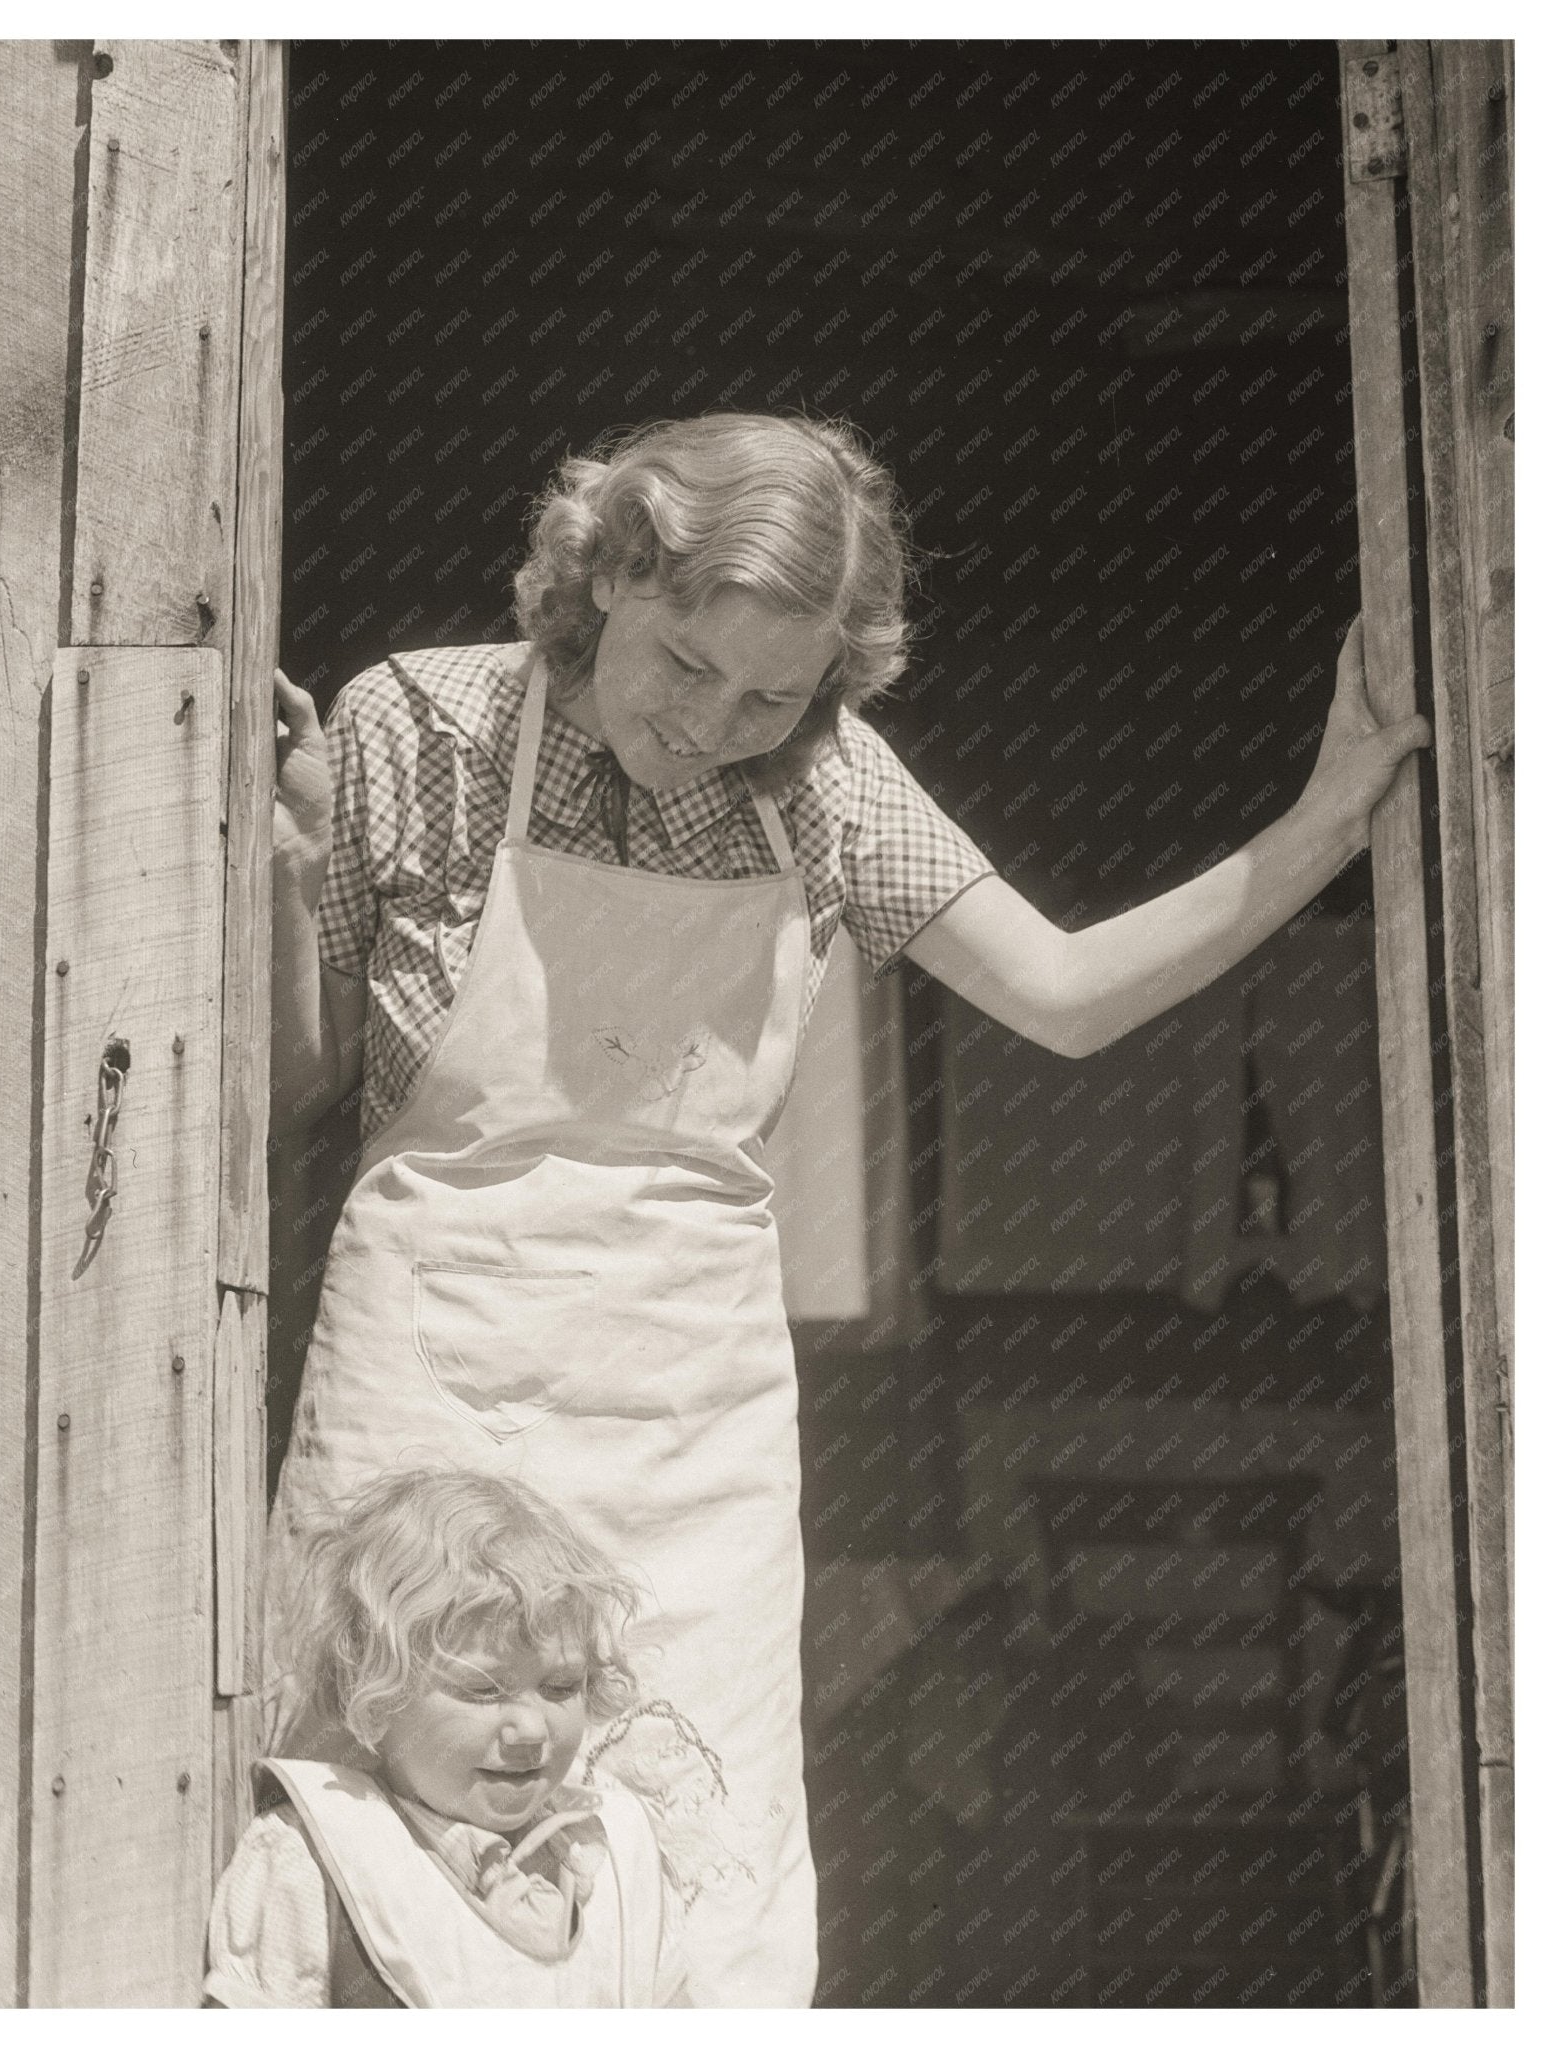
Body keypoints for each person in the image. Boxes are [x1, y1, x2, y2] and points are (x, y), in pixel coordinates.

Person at [266, 411, 1428, 2006]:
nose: (715, 725)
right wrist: (287, 880)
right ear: (607, 577)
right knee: (372, 1841)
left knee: (687, 1870)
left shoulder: (823, 786)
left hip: (685, 1407)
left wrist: (1327, 816)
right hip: (431, 1356)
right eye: (685, 664)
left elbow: (1069, 997)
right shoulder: (418, 723)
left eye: (772, 694)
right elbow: (285, 1096)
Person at [206, 1467, 687, 2007]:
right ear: (378, 1697)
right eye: (482, 1691)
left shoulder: (612, 1852)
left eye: (559, 1687)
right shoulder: (317, 1860)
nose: (531, 1730)